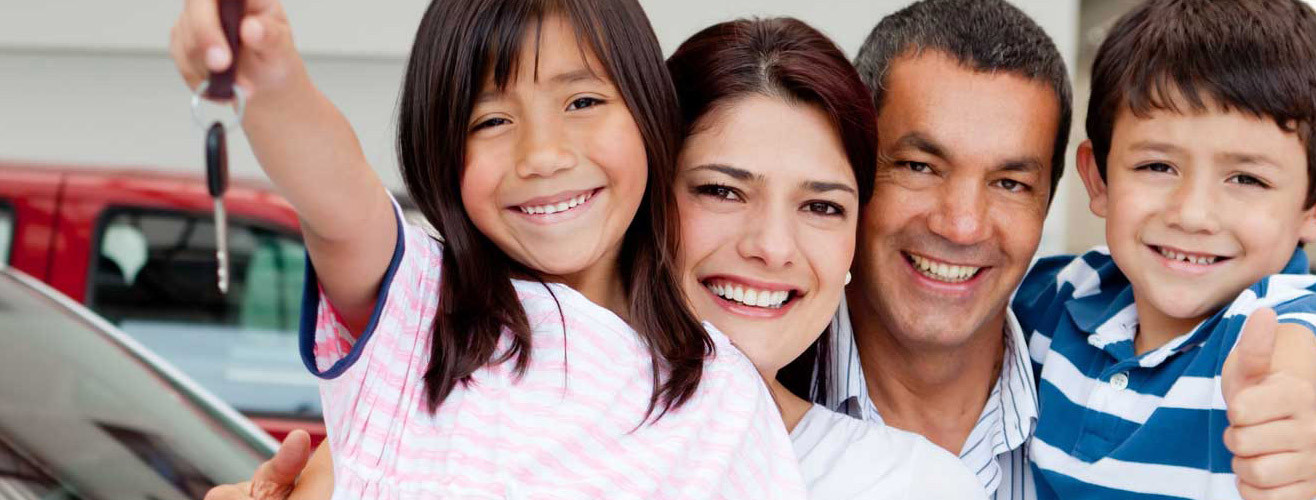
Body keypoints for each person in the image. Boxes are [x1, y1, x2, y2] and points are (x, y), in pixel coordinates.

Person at [204, 15, 984, 500]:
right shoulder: (427, 313)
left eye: (822, 206)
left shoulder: (729, 413)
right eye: (720, 190)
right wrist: (268, 81)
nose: (771, 246)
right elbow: (340, 203)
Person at [1013, 0, 1316, 498]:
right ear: (1098, 178)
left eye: (1246, 178)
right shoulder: (1058, 296)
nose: (1193, 214)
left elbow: (1297, 357)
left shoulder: (1279, 317)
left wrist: (1291, 420)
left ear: (1310, 204)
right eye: (1158, 167)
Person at [810, 1, 1071, 498]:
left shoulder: (1104, 414)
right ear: (854, 169)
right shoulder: (747, 395)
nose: (962, 225)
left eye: (1010, 183)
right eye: (919, 166)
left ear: (1047, 204)